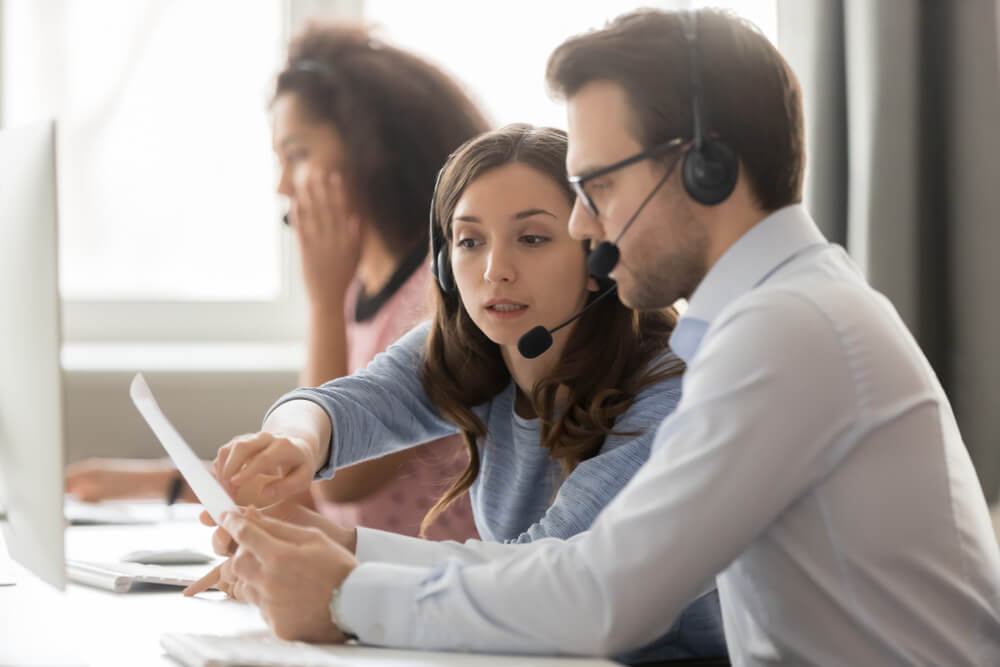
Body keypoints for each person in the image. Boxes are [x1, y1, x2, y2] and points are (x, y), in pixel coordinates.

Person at [201, 8, 1000, 665]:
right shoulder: (780, 315)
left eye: (600, 186)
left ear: (704, 169)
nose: (587, 223)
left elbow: (603, 595)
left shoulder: (787, 334)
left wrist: (343, 593)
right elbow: (596, 579)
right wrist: (335, 560)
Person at [188, 123, 729, 660]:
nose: (495, 270)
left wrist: (340, 564)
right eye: (469, 242)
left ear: (597, 261)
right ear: (446, 267)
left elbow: (548, 573)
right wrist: (294, 443)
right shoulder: (471, 348)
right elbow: (347, 403)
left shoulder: (669, 392)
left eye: (533, 239)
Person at [65, 22, 491, 540]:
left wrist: (323, 298)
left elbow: (341, 483)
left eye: (298, 155)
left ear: (369, 150)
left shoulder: (437, 291)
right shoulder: (361, 290)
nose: (284, 185)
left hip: (420, 592)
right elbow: (305, 466)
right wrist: (159, 483)